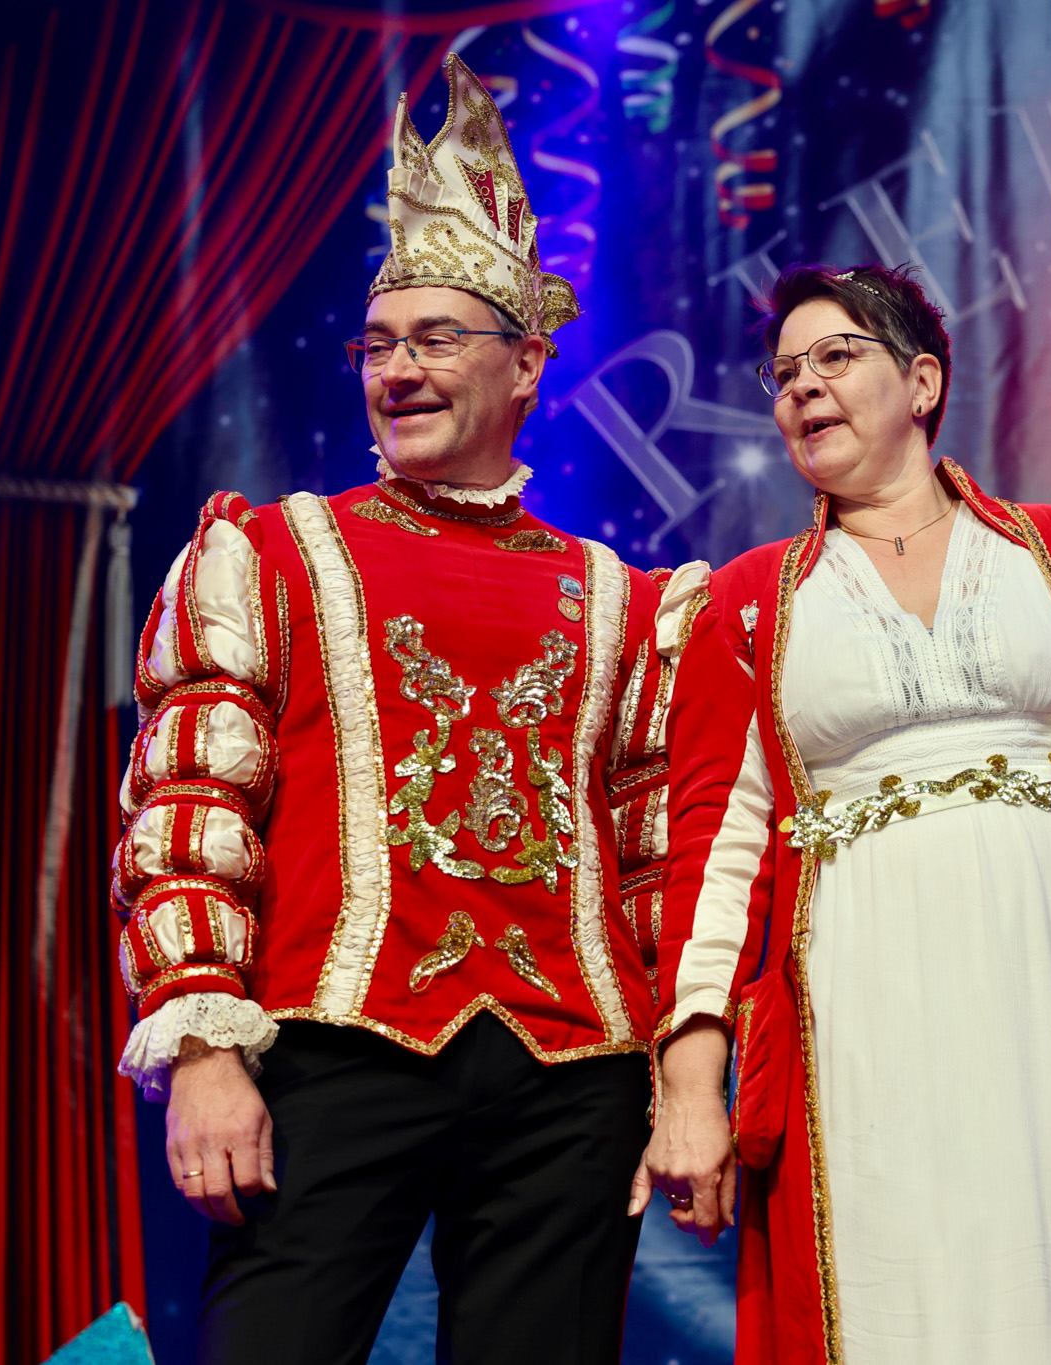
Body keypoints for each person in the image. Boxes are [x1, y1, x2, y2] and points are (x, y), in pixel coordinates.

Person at [111, 55, 707, 1365]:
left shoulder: (625, 598)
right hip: (336, 1051)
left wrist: (681, 1069)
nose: (397, 370)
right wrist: (203, 1050)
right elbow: (187, 809)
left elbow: (658, 855)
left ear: (526, 364)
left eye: (435, 340)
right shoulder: (270, 553)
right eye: (378, 346)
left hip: (572, 1078)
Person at [636, 263, 1051, 1364]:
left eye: (835, 356)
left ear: (922, 380)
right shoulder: (744, 603)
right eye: (783, 373)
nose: (802, 387)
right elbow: (717, 850)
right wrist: (689, 1085)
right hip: (858, 1014)